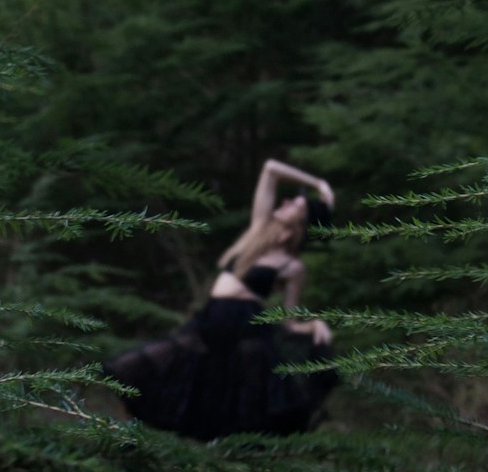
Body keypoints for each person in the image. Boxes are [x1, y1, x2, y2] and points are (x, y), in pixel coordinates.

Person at [104, 159, 338, 441]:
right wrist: (318, 185)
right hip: (210, 321)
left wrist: (314, 326)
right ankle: (131, 445)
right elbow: (270, 169)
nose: (286, 202)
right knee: (130, 369)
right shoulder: (258, 231)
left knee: (240, 408)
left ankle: (245, 470)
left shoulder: (293, 267)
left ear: (300, 224)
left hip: (244, 330)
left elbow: (288, 322)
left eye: (295, 206)